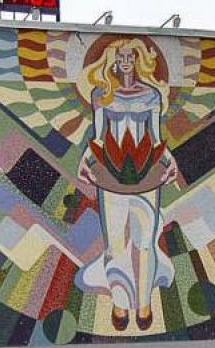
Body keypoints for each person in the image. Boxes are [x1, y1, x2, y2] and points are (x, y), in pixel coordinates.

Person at [76, 38, 178, 332]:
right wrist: (85, 160)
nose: (124, 62)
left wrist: (170, 161)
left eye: (129, 57)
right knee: (115, 245)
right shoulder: (101, 95)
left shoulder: (151, 96)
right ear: (112, 61)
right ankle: (120, 303)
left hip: (147, 176)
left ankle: (144, 302)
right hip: (109, 176)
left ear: (138, 61)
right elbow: (97, 136)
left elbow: (156, 138)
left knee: (146, 245)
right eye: (119, 57)